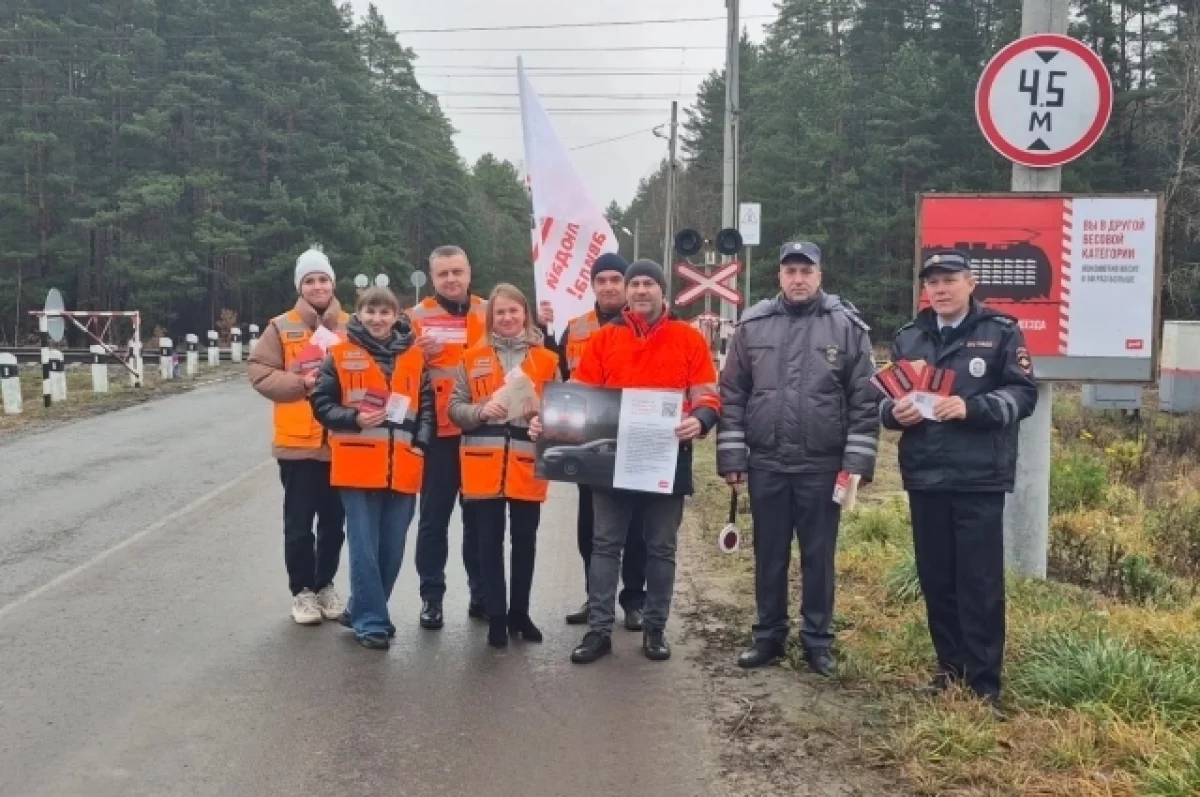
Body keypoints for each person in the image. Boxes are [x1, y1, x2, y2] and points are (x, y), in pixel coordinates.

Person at [532, 259, 721, 664]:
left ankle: (655, 629)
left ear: (662, 291)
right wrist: (549, 422)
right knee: (605, 545)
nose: (639, 290)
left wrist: (702, 419)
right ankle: (599, 631)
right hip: (612, 461)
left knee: (661, 548)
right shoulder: (604, 339)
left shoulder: (688, 338)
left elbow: (706, 392)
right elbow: (580, 391)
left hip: (666, 456)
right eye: (634, 284)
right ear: (628, 293)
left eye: (648, 283)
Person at [881, 249, 1037, 715]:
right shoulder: (909, 337)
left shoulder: (1001, 332)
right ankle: (949, 671)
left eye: (949, 280)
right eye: (933, 282)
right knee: (937, 578)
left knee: (979, 582)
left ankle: (985, 684)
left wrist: (972, 408)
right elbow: (885, 402)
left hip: (978, 477)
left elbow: (1023, 394)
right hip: (925, 475)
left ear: (971, 283)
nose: (941, 289)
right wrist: (895, 412)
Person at [717, 242, 880, 676]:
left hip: (822, 467)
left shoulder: (846, 326)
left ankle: (817, 642)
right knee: (769, 555)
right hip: (767, 463)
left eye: (806, 271)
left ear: (820, 276)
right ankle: (768, 636)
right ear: (779, 276)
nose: (798, 279)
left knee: (818, 558)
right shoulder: (753, 325)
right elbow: (732, 394)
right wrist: (732, 455)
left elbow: (864, 400)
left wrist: (857, 463)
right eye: (790, 271)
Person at [310, 287, 435, 649]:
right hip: (358, 465)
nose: (377, 319)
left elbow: (427, 407)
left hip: (404, 464)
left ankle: (359, 608)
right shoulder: (339, 354)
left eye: (385, 312)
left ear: (396, 316)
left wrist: (421, 444)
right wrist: (353, 418)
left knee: (392, 549)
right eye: (370, 311)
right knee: (364, 548)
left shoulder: (414, 357)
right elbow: (320, 403)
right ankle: (372, 622)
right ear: (359, 314)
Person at [538, 253, 649, 630]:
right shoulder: (575, 328)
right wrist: (544, 333)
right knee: (591, 525)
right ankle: (595, 595)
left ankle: (634, 599)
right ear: (592, 286)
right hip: (591, 442)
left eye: (616, 279)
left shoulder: (644, 325)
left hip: (635, 437)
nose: (609, 286)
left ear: (627, 284)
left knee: (636, 526)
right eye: (601, 280)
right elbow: (557, 377)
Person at [448, 284, 560, 648]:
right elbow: (454, 409)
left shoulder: (547, 360)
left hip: (527, 462)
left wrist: (544, 420)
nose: (508, 318)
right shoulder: (471, 358)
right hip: (483, 464)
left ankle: (520, 614)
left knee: (525, 542)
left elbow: (560, 411)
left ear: (525, 314)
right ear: (490, 318)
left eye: (514, 311)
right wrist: (481, 411)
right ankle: (496, 616)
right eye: (501, 312)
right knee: (488, 543)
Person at [247, 247, 349, 626]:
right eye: (310, 281)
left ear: (333, 283)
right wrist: (299, 383)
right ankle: (302, 591)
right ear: (300, 286)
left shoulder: (351, 325)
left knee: (334, 524)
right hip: (297, 445)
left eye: (323, 279)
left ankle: (325, 585)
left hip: (341, 443)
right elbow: (259, 372)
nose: (318, 286)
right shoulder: (281, 327)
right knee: (299, 524)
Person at [407, 245, 489, 630]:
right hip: (439, 435)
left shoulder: (490, 311)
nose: (452, 279)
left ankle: (481, 593)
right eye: (444, 273)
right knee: (433, 521)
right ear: (432, 277)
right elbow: (395, 370)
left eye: (457, 271)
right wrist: (413, 353)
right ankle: (431, 596)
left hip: (482, 431)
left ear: (469, 272)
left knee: (479, 520)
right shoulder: (415, 318)